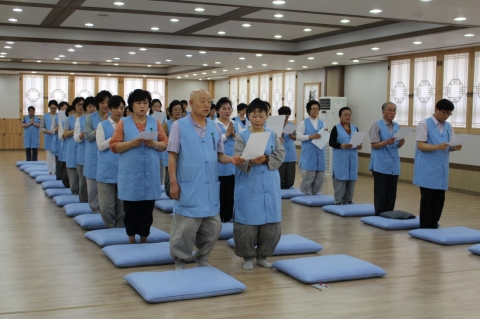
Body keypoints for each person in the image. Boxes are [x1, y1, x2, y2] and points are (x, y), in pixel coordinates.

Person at [167, 89, 244, 270]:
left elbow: (220, 155)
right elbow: (172, 157)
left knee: (213, 228)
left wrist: (231, 159)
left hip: (209, 186)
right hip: (189, 185)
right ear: (191, 103)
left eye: (209, 101)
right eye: (202, 101)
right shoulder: (179, 126)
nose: (207, 105)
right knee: (185, 229)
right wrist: (173, 183)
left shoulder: (214, 127)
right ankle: (180, 259)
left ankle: (202, 258)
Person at [110, 89, 168, 244]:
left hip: (150, 172)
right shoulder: (123, 123)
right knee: (130, 210)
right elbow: (114, 146)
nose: (142, 106)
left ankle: (144, 238)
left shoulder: (154, 122)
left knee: (147, 210)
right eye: (139, 103)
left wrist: (154, 144)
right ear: (132, 105)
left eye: (145, 103)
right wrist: (132, 143)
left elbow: (165, 144)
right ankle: (130, 239)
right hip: (130, 173)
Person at [233, 98, 285, 270]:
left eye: (261, 115)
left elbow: (280, 154)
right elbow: (237, 158)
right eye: (253, 115)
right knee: (247, 224)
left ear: (266, 116)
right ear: (248, 116)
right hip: (249, 185)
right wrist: (252, 161)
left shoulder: (273, 135)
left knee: (271, 225)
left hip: (269, 184)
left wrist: (267, 158)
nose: (257, 119)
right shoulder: (242, 136)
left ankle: (263, 256)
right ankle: (248, 257)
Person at [414, 99, 462, 228]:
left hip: (441, 167)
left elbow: (449, 145)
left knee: (439, 199)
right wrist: (437, 147)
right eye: (444, 112)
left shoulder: (448, 126)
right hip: (427, 168)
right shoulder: (424, 124)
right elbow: (420, 145)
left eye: (449, 114)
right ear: (436, 109)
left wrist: (455, 147)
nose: (446, 116)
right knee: (427, 199)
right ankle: (425, 225)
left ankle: (434, 223)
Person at [368, 102, 405, 215]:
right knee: (381, 192)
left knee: (391, 193)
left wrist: (401, 143)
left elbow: (396, 145)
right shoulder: (377, 125)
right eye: (390, 110)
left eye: (394, 110)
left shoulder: (397, 126)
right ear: (383, 112)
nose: (392, 112)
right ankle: (379, 215)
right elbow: (373, 144)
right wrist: (386, 142)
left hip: (393, 164)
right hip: (380, 164)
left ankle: (389, 214)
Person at [96, 96, 126, 228]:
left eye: (122, 108)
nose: (119, 111)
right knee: (106, 205)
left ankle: (120, 229)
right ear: (110, 109)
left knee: (122, 205)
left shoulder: (127, 124)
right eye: (116, 108)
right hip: (106, 170)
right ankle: (109, 226)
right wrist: (115, 138)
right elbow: (101, 146)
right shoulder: (102, 125)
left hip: (124, 169)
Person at [84, 91, 111, 216]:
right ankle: (95, 213)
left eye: (107, 102)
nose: (105, 105)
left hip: (109, 157)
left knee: (108, 190)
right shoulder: (90, 117)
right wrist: (101, 127)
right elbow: (88, 136)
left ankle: (108, 214)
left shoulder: (114, 116)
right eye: (102, 102)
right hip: (93, 156)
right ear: (98, 104)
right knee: (93, 190)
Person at [329, 107, 362, 205]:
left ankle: (348, 201)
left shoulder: (355, 128)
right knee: (340, 182)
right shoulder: (336, 128)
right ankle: (338, 202)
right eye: (345, 114)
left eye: (349, 114)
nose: (347, 116)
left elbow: (359, 141)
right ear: (340, 116)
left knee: (351, 183)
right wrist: (342, 145)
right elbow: (331, 142)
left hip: (352, 160)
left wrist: (359, 146)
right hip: (341, 160)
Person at [296, 100, 326, 195]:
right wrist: (310, 136)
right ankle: (305, 193)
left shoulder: (322, 123)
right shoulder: (303, 123)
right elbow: (298, 136)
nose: (315, 110)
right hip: (309, 154)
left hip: (320, 153)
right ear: (308, 110)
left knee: (320, 177)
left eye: (317, 109)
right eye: (313, 109)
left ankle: (316, 194)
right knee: (309, 176)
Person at [215, 97, 236, 222]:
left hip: (233, 165)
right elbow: (213, 142)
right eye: (224, 108)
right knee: (220, 193)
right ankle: (219, 217)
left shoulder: (235, 123)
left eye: (229, 108)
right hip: (219, 165)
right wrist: (227, 134)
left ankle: (229, 216)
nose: (227, 111)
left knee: (231, 193)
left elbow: (242, 140)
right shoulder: (213, 124)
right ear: (218, 110)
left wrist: (235, 134)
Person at [74, 96, 96, 203]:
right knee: (83, 183)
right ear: (86, 108)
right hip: (83, 155)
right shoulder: (80, 119)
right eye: (90, 106)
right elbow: (75, 137)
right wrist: (81, 136)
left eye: (94, 106)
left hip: (96, 155)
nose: (92, 109)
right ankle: (83, 203)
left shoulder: (101, 119)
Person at [63, 97, 85, 195]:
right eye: (78, 104)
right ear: (74, 106)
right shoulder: (69, 119)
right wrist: (76, 130)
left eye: (82, 104)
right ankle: (74, 195)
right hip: (72, 149)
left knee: (83, 179)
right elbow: (64, 134)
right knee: (73, 180)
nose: (81, 106)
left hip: (83, 149)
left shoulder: (87, 118)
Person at [162, 100, 183, 198]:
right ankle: (170, 194)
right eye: (175, 109)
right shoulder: (167, 124)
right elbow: (164, 138)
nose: (178, 111)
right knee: (169, 177)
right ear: (170, 112)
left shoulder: (185, 123)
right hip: (170, 154)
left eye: (179, 109)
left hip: (182, 155)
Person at [278, 106, 296, 189]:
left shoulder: (291, 125)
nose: (286, 118)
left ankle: (288, 186)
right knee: (281, 174)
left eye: (287, 116)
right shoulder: (277, 125)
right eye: (284, 116)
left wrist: (292, 136)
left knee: (290, 175)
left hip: (291, 150)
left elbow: (295, 137)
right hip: (281, 150)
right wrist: (280, 135)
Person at [50, 101, 68, 180]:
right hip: (58, 143)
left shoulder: (70, 117)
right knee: (58, 162)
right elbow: (51, 131)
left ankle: (65, 179)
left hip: (66, 142)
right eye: (63, 108)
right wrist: (57, 128)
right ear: (59, 109)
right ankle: (58, 177)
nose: (64, 109)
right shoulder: (56, 118)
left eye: (66, 108)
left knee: (66, 163)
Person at [58, 105, 75, 187]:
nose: (72, 114)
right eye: (71, 112)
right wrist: (72, 131)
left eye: (74, 112)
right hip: (66, 149)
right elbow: (61, 136)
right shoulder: (63, 123)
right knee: (65, 171)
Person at [41, 100, 58, 174]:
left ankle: (55, 171)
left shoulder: (59, 116)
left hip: (56, 138)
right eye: (51, 108)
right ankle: (50, 171)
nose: (53, 110)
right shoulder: (45, 116)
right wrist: (46, 131)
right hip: (48, 137)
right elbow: (42, 127)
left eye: (54, 108)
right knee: (49, 157)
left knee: (56, 157)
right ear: (49, 108)